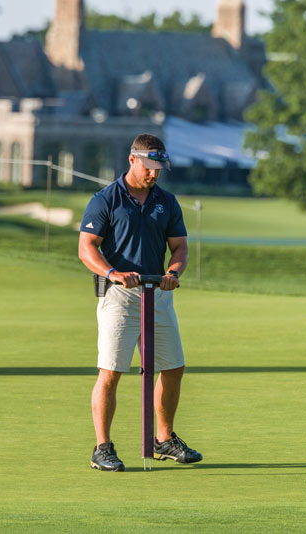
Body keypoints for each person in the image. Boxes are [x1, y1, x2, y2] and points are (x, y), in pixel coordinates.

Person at [78, 133, 203, 471]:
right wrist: (114, 272)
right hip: (119, 295)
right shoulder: (106, 199)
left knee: (174, 368)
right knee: (111, 372)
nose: (154, 174)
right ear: (132, 160)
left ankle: (163, 439)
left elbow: (179, 248)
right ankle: (102, 448)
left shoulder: (167, 201)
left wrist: (173, 273)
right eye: (149, 167)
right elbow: (87, 247)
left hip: (158, 294)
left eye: (159, 169)